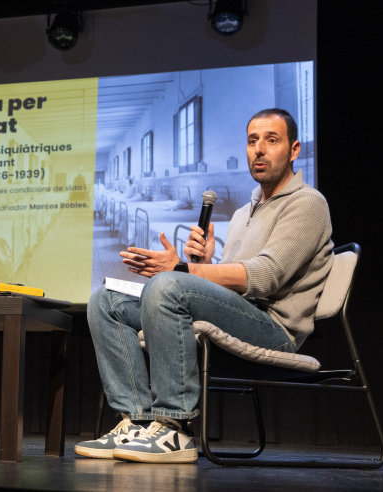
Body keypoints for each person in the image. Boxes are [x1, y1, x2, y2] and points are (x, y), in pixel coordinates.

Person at [75, 108, 333, 463]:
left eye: (272, 140)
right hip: (242, 315)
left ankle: (175, 428)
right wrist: (204, 263)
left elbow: (264, 277)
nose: (259, 149)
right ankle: (137, 422)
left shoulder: (308, 203)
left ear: (294, 150)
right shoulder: (243, 213)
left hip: (275, 330)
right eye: (252, 141)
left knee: (167, 285)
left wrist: (182, 270)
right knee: (106, 301)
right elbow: (230, 288)